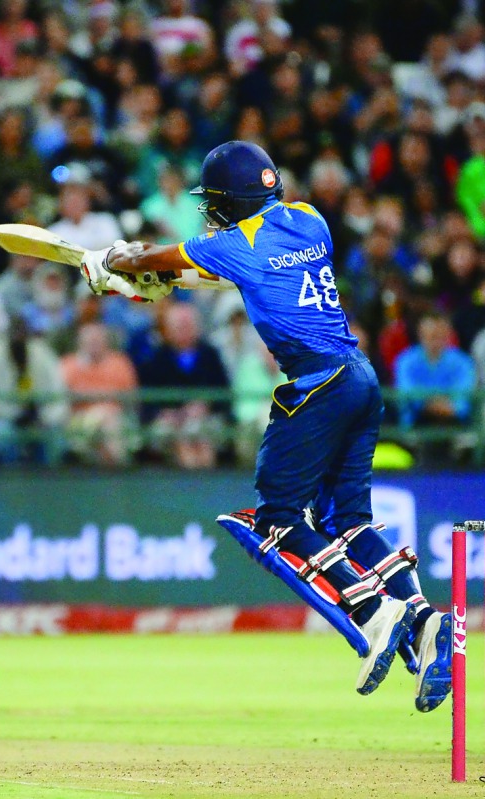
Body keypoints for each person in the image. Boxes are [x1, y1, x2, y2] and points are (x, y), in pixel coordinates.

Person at [79, 140, 452, 712]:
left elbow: (170, 258)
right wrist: (160, 276)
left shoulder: (234, 242)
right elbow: (229, 272)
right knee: (348, 520)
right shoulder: (308, 219)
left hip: (317, 384)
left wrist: (113, 264)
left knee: (278, 517)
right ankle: (425, 621)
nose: (210, 211)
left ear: (231, 199)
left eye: (215, 201)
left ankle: (375, 613)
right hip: (361, 378)